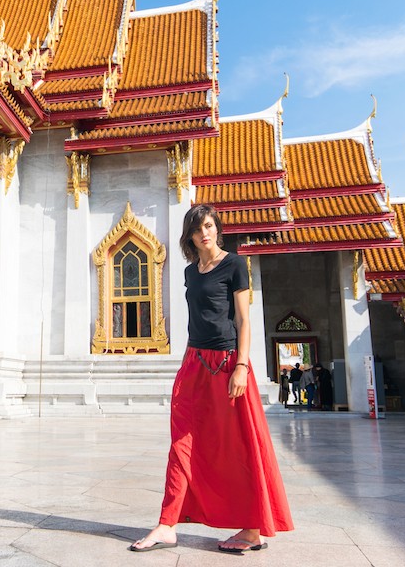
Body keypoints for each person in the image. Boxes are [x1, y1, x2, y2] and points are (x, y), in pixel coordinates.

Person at [130, 204, 293, 555]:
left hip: (227, 365)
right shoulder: (191, 273)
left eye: (209, 225)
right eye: (198, 228)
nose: (205, 232)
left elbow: (244, 320)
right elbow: (196, 320)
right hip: (195, 362)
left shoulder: (234, 265)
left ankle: (252, 529)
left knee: (240, 444)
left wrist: (242, 367)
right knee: (182, 442)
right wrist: (187, 362)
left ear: (217, 228)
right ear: (189, 235)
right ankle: (167, 524)